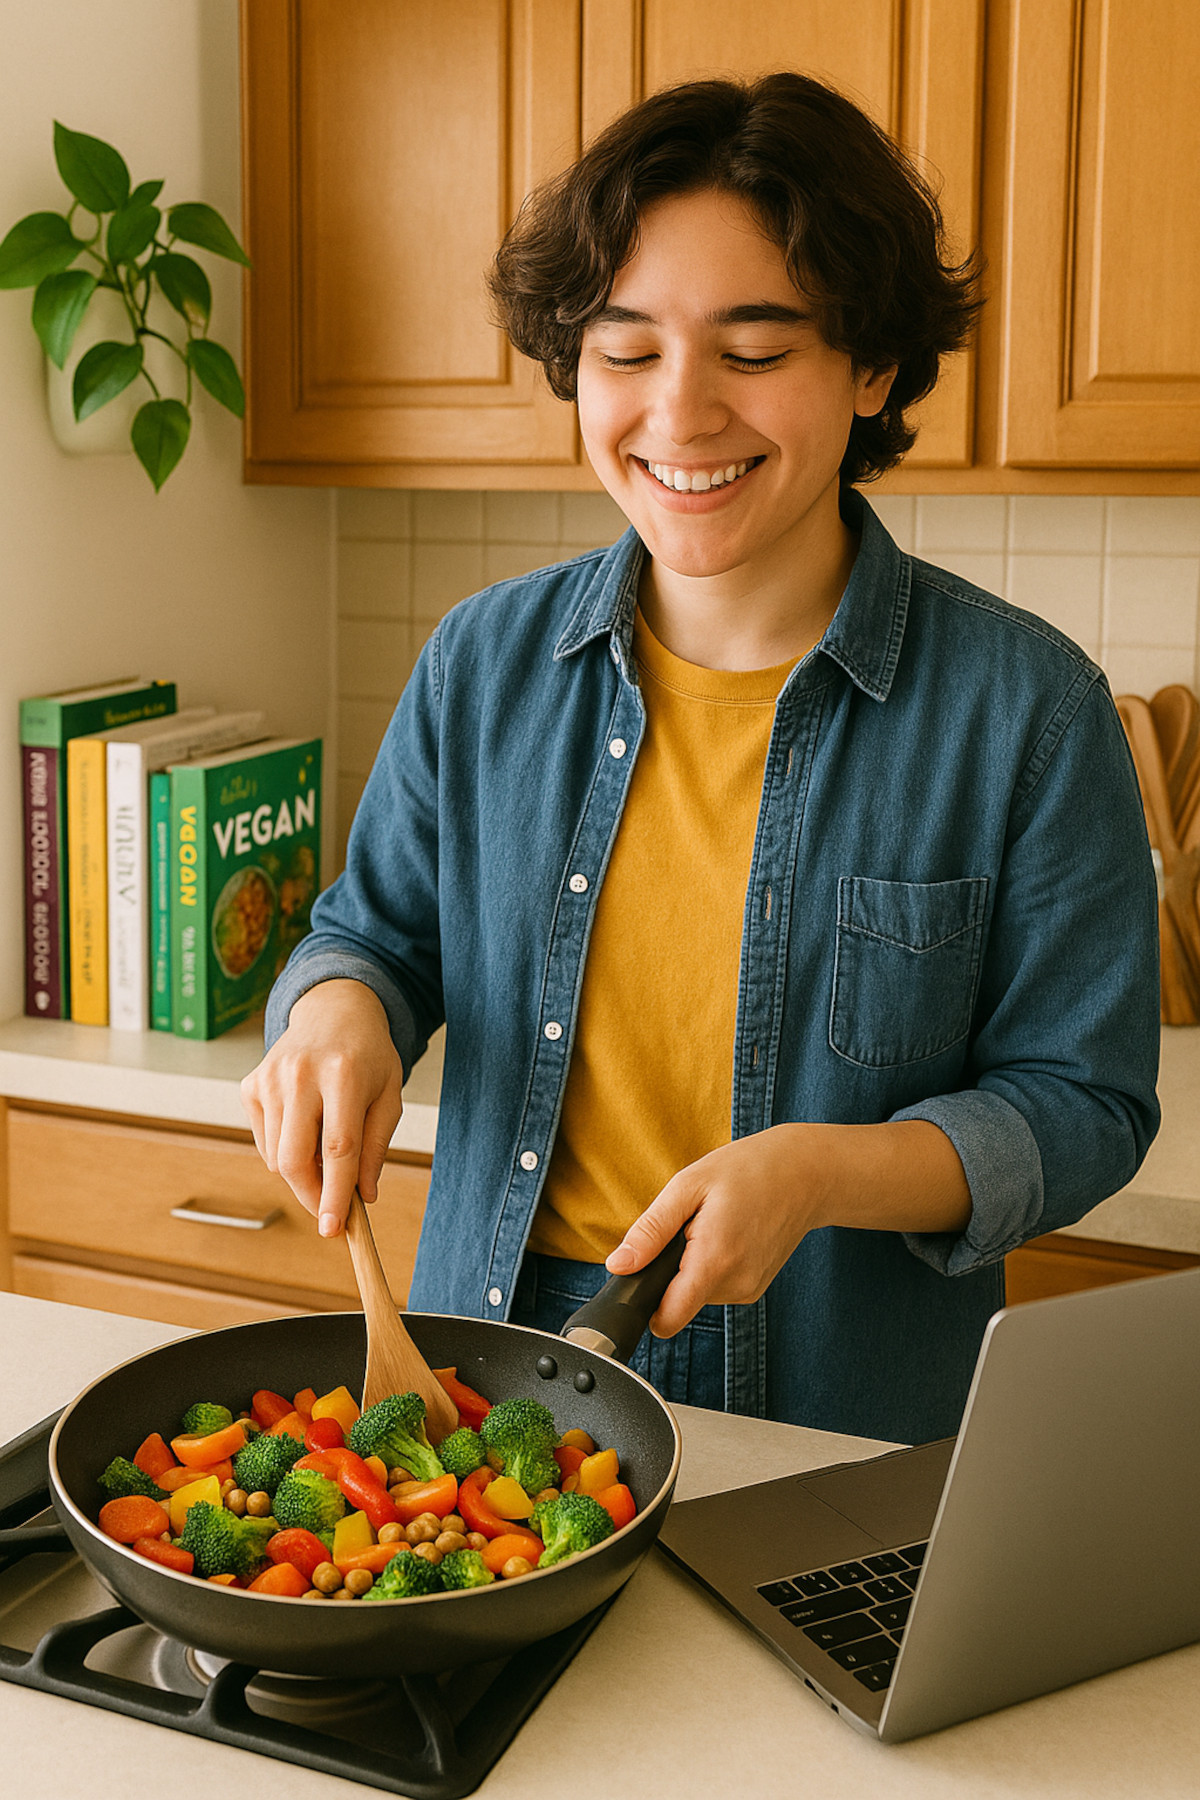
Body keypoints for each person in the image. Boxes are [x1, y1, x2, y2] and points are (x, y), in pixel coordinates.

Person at [242, 73, 1159, 1444]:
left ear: (872, 368)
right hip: (488, 1370)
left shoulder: (1029, 711)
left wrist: (821, 1173)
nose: (679, 414)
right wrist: (333, 1014)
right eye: (626, 351)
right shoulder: (481, 664)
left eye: (755, 349)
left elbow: (1085, 1104)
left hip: (832, 1405)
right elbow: (371, 937)